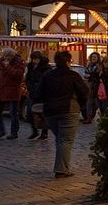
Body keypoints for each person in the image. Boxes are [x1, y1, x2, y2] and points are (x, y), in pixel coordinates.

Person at [38, 50, 89, 178]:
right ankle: (61, 170)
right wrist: (80, 105)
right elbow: (84, 92)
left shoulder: (47, 75)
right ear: (68, 61)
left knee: (61, 139)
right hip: (69, 109)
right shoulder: (73, 75)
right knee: (65, 140)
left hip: (50, 111)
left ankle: (63, 167)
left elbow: (38, 93)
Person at [0, 48, 26, 139]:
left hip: (12, 92)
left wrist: (8, 67)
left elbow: (18, 75)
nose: (6, 58)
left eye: (8, 56)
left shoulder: (18, 63)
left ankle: (14, 133)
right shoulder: (0, 63)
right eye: (5, 56)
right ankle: (1, 131)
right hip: (1, 91)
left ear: (12, 56)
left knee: (13, 113)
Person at [25, 51, 51, 139]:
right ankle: (34, 131)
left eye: (36, 59)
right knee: (29, 112)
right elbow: (28, 78)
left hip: (43, 93)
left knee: (42, 113)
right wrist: (29, 86)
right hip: (32, 92)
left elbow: (47, 80)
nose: (34, 61)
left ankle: (44, 132)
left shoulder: (46, 67)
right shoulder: (30, 66)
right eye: (33, 59)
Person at [83, 52, 106, 123]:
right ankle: (89, 117)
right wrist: (89, 75)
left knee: (98, 102)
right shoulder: (89, 65)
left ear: (98, 58)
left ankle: (103, 116)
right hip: (90, 85)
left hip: (97, 86)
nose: (93, 58)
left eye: (95, 57)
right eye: (92, 56)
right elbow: (86, 73)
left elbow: (97, 75)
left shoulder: (99, 66)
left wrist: (90, 76)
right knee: (89, 101)